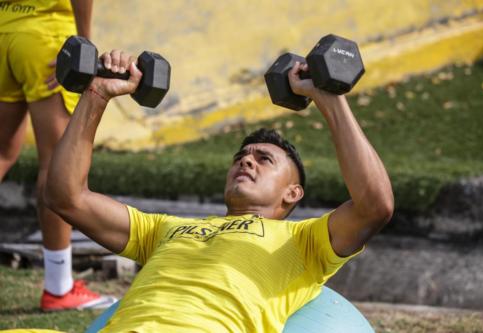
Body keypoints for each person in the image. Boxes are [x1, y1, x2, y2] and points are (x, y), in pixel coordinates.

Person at [45, 50, 394, 332]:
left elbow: (374, 206)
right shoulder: (165, 230)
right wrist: (97, 94)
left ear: (293, 193)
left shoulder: (303, 242)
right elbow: (66, 197)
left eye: (263, 159)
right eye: (241, 156)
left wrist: (329, 99)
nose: (246, 162)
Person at [0, 0, 115, 311]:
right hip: (47, 40)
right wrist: (84, 45)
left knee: (2, 154)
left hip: (5, 30)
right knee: (56, 167)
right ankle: (58, 288)